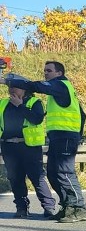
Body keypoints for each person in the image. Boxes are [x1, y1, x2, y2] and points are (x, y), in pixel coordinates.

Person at [2, 61, 86, 223]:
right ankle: (67, 207)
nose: (45, 73)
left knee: (64, 172)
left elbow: (39, 87)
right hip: (57, 137)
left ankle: (79, 208)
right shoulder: (58, 91)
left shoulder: (61, 85)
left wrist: (7, 81)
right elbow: (82, 115)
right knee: (53, 173)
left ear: (59, 73)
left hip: (65, 137)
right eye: (44, 70)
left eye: (49, 70)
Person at [0, 85, 57, 218]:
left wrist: (20, 105)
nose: (12, 90)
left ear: (25, 90)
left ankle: (49, 207)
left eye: (16, 87)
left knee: (36, 177)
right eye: (10, 87)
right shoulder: (3, 103)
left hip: (28, 146)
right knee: (15, 178)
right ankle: (21, 208)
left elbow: (37, 119)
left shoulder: (34, 102)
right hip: (9, 146)